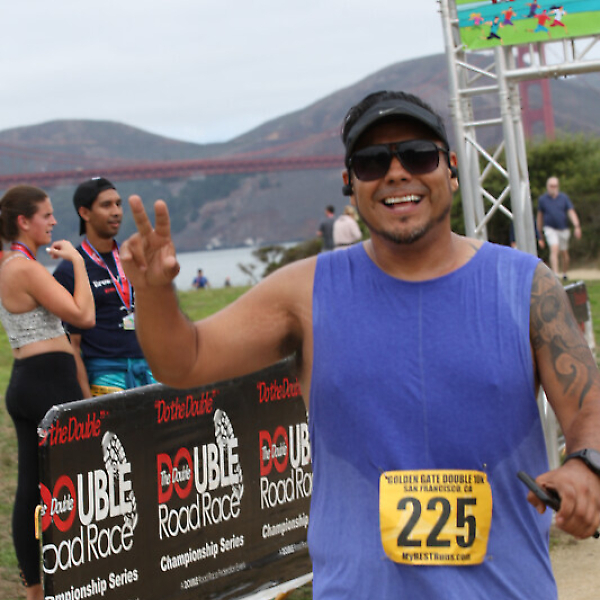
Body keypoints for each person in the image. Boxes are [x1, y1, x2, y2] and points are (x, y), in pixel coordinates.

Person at [120, 91, 600, 600]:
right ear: (350, 184)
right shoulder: (304, 292)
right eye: (372, 162)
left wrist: (585, 463)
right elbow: (186, 360)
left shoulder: (525, 285)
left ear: (452, 170)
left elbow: (587, 403)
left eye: (418, 155)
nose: (396, 173)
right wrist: (153, 293)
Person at [0, 185, 95, 600]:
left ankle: (35, 591)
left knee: (30, 490)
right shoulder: (24, 267)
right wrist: (77, 261)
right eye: (47, 215)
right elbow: (83, 316)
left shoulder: (10, 264)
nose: (54, 221)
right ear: (24, 221)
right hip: (48, 383)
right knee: (74, 485)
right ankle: (72, 580)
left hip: (27, 380)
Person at [54, 177, 156, 397]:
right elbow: (72, 346)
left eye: (118, 204)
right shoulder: (70, 269)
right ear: (85, 213)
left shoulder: (133, 257)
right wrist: (86, 403)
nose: (116, 211)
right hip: (106, 375)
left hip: (150, 367)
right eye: (106, 205)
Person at [536, 176, 581, 281]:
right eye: (551, 186)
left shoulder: (564, 198)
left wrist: (577, 226)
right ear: (547, 186)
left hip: (563, 229)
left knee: (564, 252)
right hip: (550, 228)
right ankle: (555, 274)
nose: (553, 188)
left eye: (555, 186)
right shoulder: (543, 200)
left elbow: (571, 212)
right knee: (554, 248)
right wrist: (539, 232)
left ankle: (564, 273)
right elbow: (540, 216)